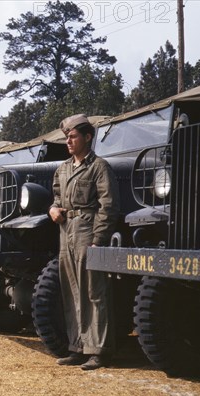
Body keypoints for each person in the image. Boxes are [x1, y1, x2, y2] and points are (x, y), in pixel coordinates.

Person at [48, 114, 120, 371]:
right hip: (65, 230)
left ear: (88, 137)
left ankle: (98, 350)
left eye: (73, 136)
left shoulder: (99, 167)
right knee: (71, 290)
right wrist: (53, 209)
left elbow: (108, 206)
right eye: (67, 137)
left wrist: (98, 239)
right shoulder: (63, 168)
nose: (68, 141)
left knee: (93, 291)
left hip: (87, 231)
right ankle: (77, 347)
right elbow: (57, 197)